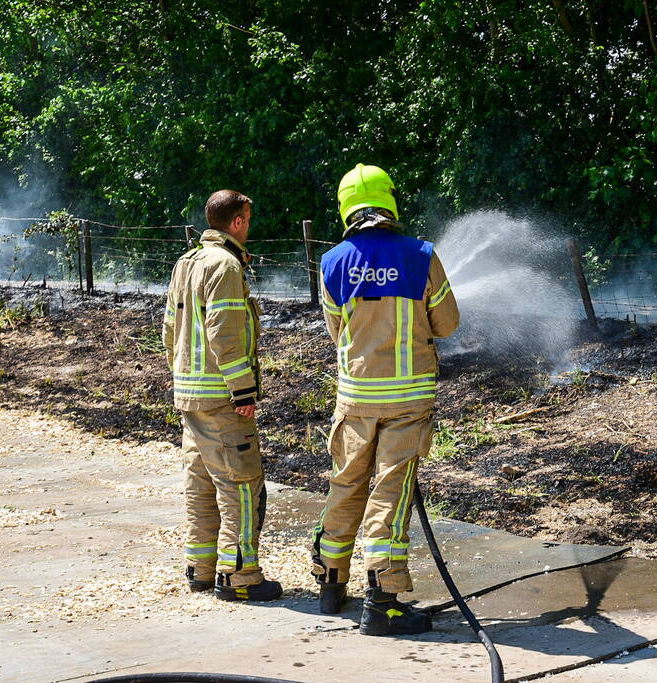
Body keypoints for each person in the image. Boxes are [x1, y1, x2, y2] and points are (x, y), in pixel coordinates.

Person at [311, 163, 460, 636]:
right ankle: (383, 601)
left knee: (346, 484)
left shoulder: (332, 262)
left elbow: (337, 331)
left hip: (355, 399)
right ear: (390, 200)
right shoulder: (421, 255)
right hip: (407, 402)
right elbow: (447, 323)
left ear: (345, 207)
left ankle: (330, 583)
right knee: (390, 495)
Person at [162, 189, 282, 602]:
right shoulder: (226, 265)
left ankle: (201, 570)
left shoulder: (186, 262)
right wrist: (243, 391)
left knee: (200, 485)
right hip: (222, 399)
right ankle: (239, 576)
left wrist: (182, 378)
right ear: (237, 222)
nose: (249, 226)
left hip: (190, 396)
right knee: (240, 485)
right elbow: (225, 335)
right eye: (247, 218)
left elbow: (169, 330)